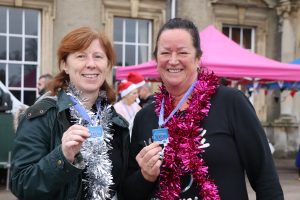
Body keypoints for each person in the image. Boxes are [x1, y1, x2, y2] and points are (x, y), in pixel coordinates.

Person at [123, 18, 284, 199]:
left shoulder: (231, 103)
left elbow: (265, 178)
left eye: (183, 52)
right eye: (165, 52)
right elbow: (129, 193)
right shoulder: (145, 117)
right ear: (156, 59)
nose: (173, 60)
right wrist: (145, 176)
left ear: (198, 58)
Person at [10, 27, 129, 200]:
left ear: (107, 65)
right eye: (81, 56)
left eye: (98, 56)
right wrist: (63, 156)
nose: (91, 64)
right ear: (65, 65)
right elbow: (21, 184)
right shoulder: (42, 115)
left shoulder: (117, 122)